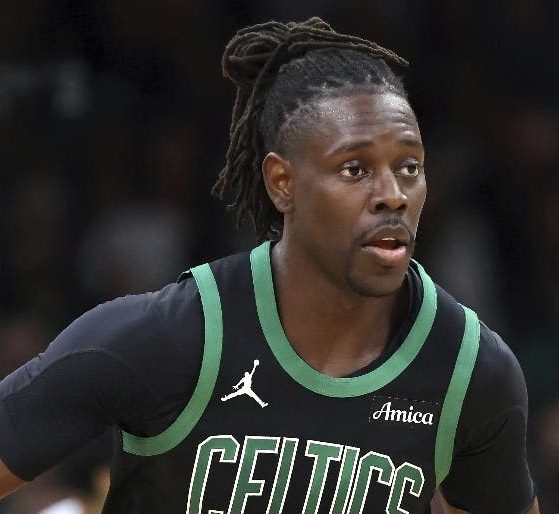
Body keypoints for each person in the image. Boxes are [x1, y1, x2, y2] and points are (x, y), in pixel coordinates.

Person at [0, 17, 539, 514]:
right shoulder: (169, 338)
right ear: (283, 183)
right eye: (354, 169)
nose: (392, 194)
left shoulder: (470, 370)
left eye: (409, 167)